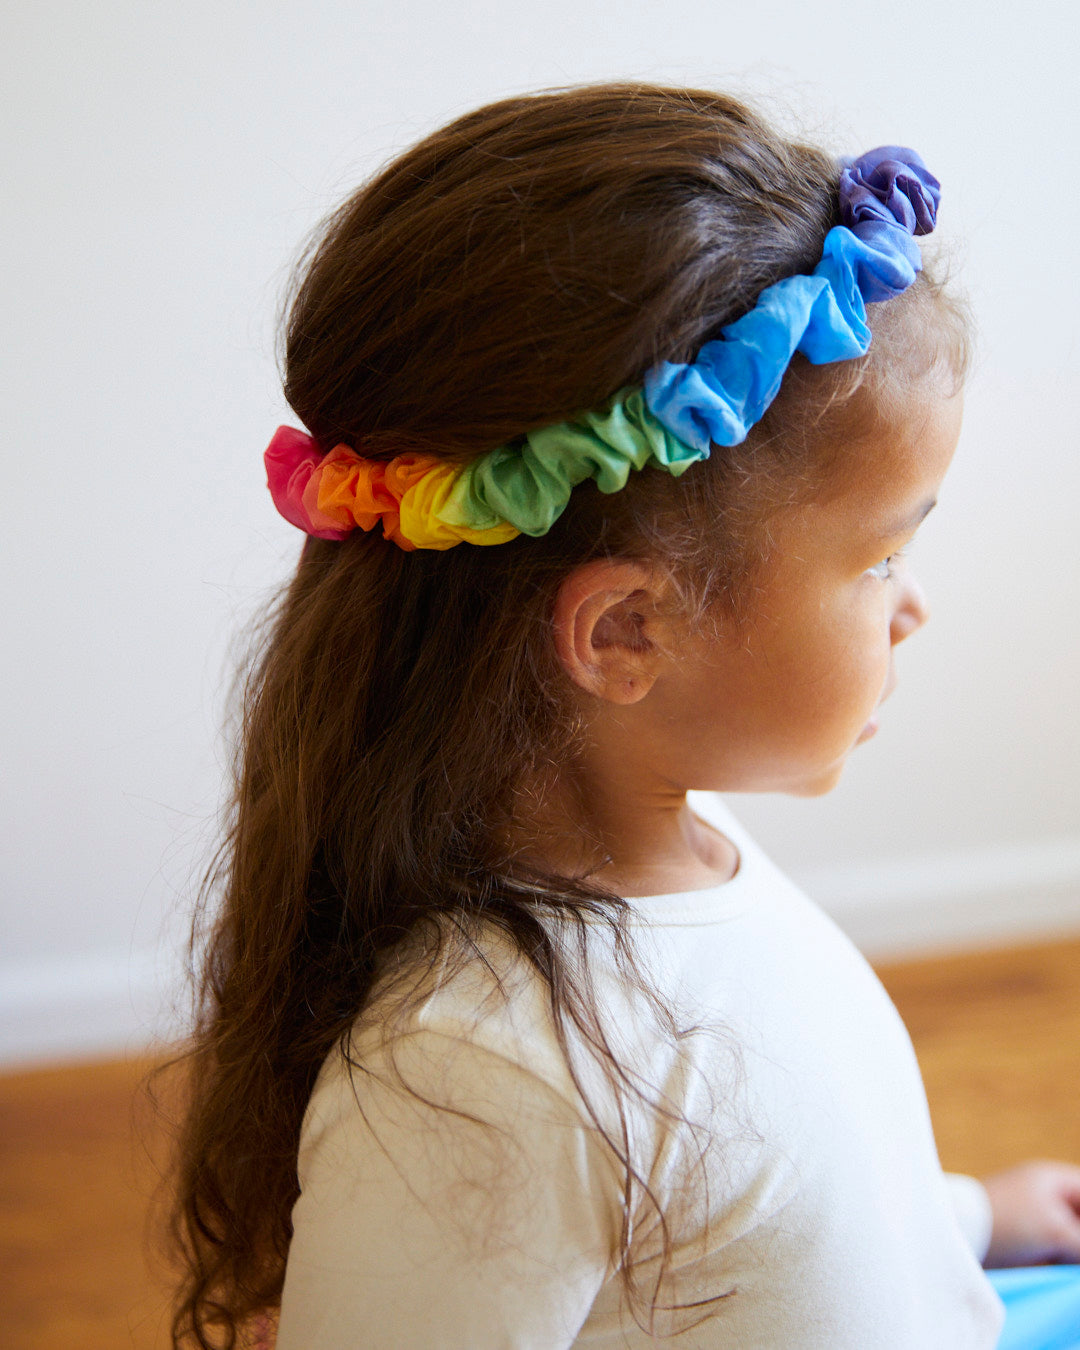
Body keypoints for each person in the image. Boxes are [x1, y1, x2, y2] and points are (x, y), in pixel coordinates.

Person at [168, 84, 1080, 1349]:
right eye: (877, 559)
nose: (910, 606)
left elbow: (768, 1190)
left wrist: (966, 1220)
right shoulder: (478, 1078)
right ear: (624, 635)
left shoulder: (665, 852)